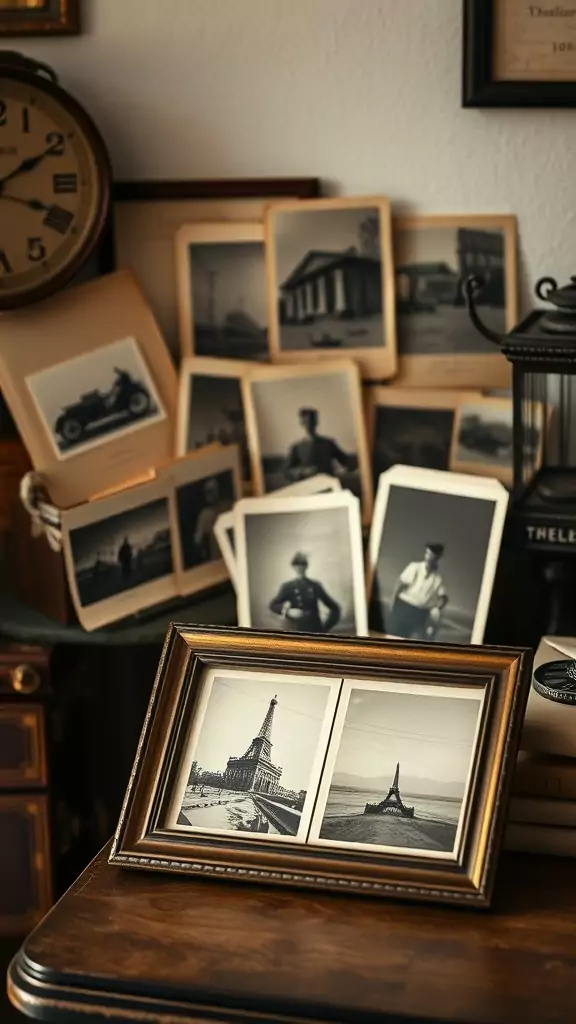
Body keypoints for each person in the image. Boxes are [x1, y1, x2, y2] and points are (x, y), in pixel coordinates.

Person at [269, 551, 341, 633]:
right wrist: (288, 611)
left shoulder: (315, 586)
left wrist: (325, 628)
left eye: (303, 564)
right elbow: (273, 605)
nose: (300, 568)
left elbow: (335, 608)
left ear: (306, 566)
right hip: (295, 630)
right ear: (293, 567)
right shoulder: (288, 586)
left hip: (315, 629)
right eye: (297, 565)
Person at [388, 543, 448, 640]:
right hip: (404, 607)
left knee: (417, 641)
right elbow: (399, 584)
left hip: (421, 613)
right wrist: (392, 603)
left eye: (433, 555)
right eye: (427, 554)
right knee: (395, 638)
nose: (429, 557)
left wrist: (437, 608)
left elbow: (443, 597)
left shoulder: (438, 578)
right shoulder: (414, 567)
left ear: (438, 557)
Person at [283, 408, 353, 481]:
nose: (309, 424)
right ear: (302, 423)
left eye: (312, 421)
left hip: (329, 484)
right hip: (308, 486)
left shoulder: (328, 443)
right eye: (306, 421)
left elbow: (346, 461)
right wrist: (302, 472)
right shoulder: (297, 447)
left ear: (316, 422)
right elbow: (286, 470)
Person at [193, 477, 229, 562]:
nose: (209, 495)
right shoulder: (205, 515)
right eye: (207, 492)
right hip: (215, 561)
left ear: (218, 491)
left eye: (211, 491)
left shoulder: (228, 506)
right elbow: (198, 541)